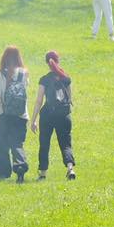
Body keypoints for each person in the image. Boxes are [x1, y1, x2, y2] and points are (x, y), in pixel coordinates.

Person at [0, 46, 31, 181]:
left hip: (3, 115)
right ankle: (20, 166)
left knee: (1, 144)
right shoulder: (24, 73)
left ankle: (3, 173)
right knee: (17, 143)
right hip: (20, 115)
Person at [34, 50, 76, 180]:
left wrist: (33, 120)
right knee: (65, 143)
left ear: (47, 63)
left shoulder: (44, 79)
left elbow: (39, 100)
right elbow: (69, 98)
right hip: (64, 115)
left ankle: (42, 173)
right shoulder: (66, 78)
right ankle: (70, 169)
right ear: (58, 60)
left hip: (48, 115)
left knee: (44, 143)